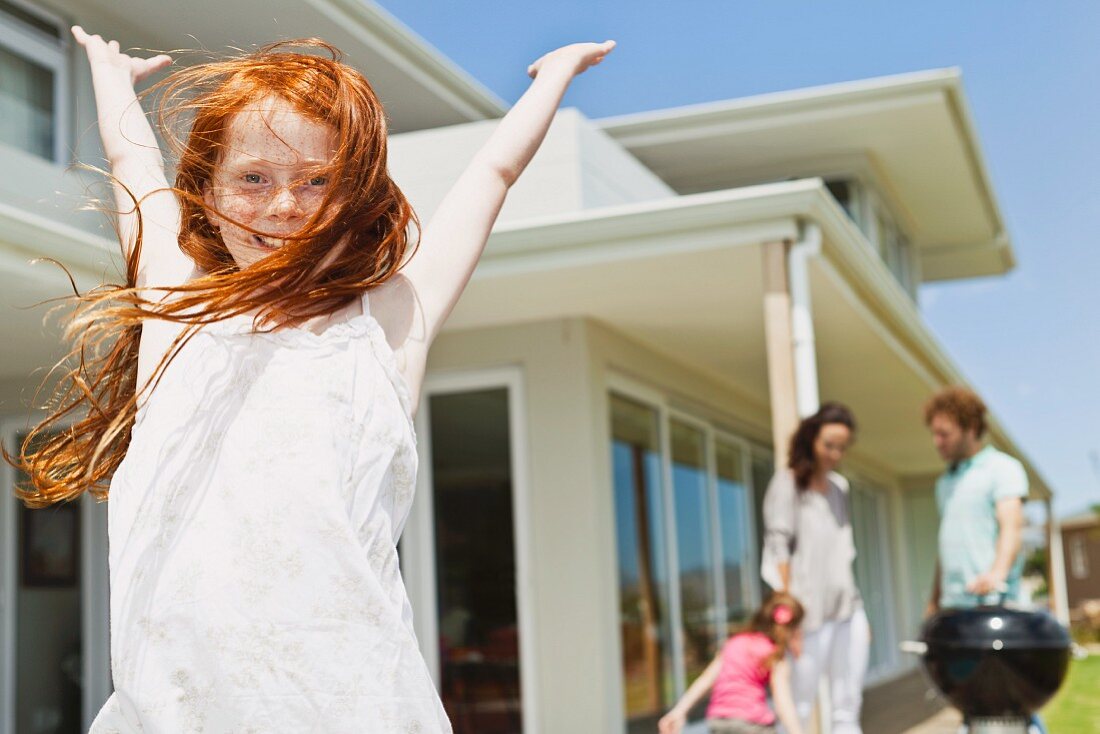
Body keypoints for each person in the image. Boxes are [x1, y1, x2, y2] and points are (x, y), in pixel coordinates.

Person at [10, 26, 614, 733]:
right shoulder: (176, 300)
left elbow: (492, 177)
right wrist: (111, 76)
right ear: (205, 190)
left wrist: (552, 78)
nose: (284, 206)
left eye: (316, 180)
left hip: (356, 709)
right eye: (253, 178)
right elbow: (134, 161)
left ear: (354, 198)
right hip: (176, 712)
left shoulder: (386, 326)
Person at [760, 403, 868, 734]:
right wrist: (787, 617)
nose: (835, 454)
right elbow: (778, 547)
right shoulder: (789, 484)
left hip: (847, 611)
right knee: (799, 706)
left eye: (842, 447)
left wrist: (859, 612)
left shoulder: (839, 489)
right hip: (806, 615)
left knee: (847, 706)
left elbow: (843, 554)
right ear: (811, 440)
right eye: (829, 445)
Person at [924, 386, 1028, 614]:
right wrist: (934, 600)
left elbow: (1011, 528)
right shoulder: (945, 482)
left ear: (970, 428)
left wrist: (996, 574)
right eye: (934, 434)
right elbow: (947, 544)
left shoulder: (1002, 468)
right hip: (953, 606)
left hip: (993, 604)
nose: (937, 442)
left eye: (944, 434)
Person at [658, 592, 807, 734]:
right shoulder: (775, 657)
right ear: (793, 630)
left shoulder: (735, 643)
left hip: (719, 722)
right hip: (752, 725)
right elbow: (783, 703)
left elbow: (706, 679)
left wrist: (678, 711)